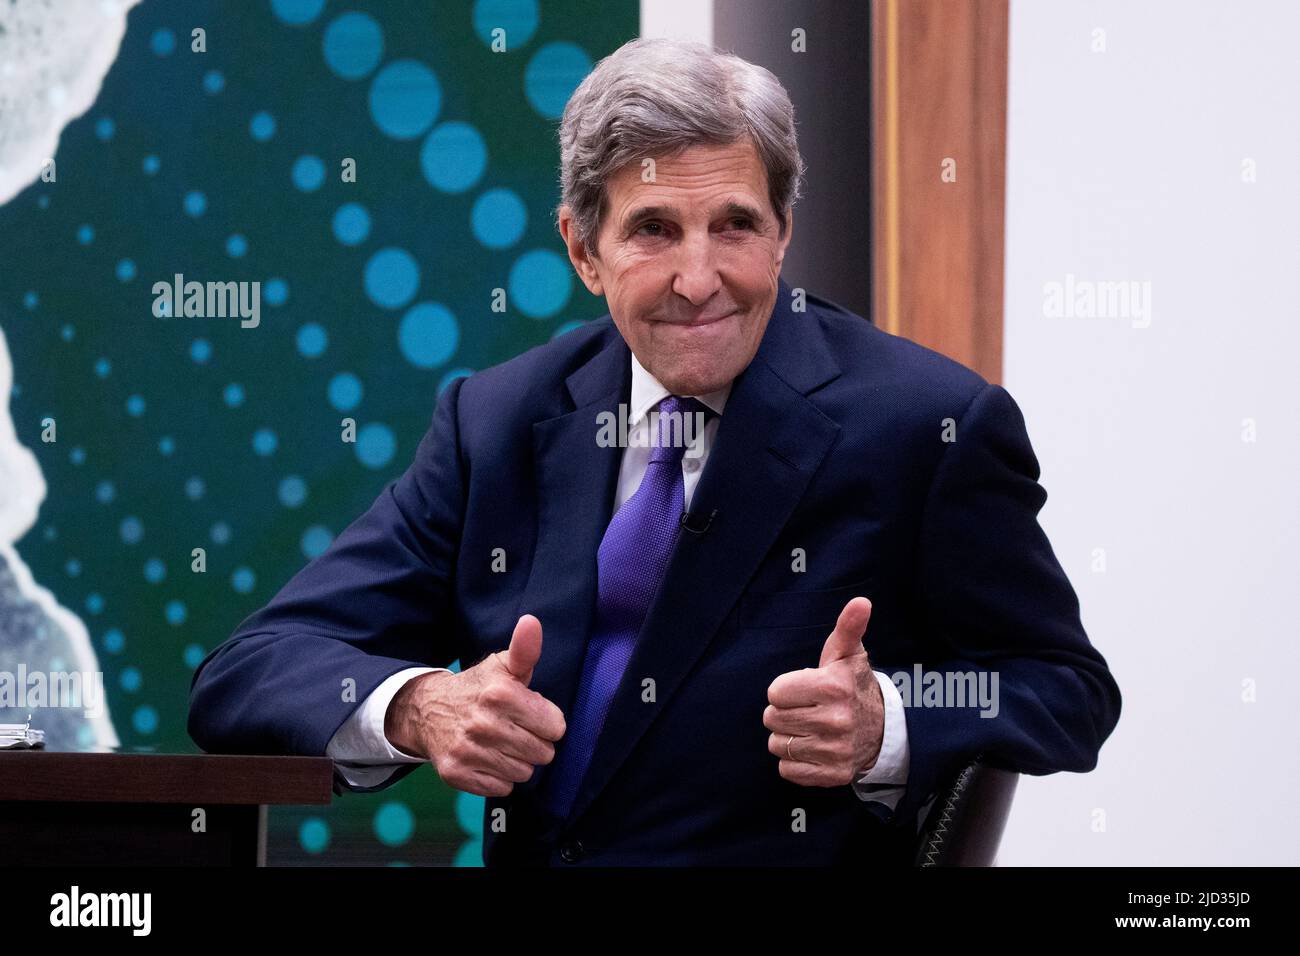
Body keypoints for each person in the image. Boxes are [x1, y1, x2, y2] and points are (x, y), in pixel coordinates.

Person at [188, 37, 1121, 866]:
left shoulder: (930, 426)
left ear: (782, 231)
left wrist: (889, 727)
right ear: (582, 249)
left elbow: (1068, 690)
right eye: (654, 230)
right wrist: (419, 707)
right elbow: (250, 667)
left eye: (736, 226)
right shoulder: (497, 422)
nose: (700, 278)